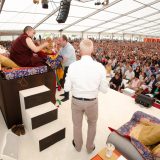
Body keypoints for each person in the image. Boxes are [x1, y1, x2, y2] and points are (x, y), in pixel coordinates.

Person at [64, 39, 108, 153]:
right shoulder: (100, 67)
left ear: (79, 50)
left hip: (76, 101)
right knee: (92, 124)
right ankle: (90, 147)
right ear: (92, 50)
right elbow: (104, 90)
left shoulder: (73, 66)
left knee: (77, 125)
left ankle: (78, 146)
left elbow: (66, 88)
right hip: (92, 102)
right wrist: (94, 86)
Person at [59, 35, 76, 102]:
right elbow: (58, 56)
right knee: (64, 80)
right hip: (65, 66)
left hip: (70, 67)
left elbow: (64, 59)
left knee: (67, 81)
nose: (59, 42)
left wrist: (56, 64)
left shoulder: (69, 48)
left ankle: (67, 97)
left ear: (65, 41)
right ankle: (65, 93)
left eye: (60, 41)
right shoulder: (62, 47)